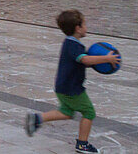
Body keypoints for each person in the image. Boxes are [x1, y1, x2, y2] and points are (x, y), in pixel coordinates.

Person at [24, 9, 120, 153]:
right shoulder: (74, 46)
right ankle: (82, 144)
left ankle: (37, 119)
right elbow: (85, 59)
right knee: (89, 112)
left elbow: (82, 61)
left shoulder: (69, 44)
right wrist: (107, 59)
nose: (86, 27)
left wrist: (93, 61)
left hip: (63, 87)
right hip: (72, 89)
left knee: (67, 112)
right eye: (85, 24)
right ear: (78, 28)